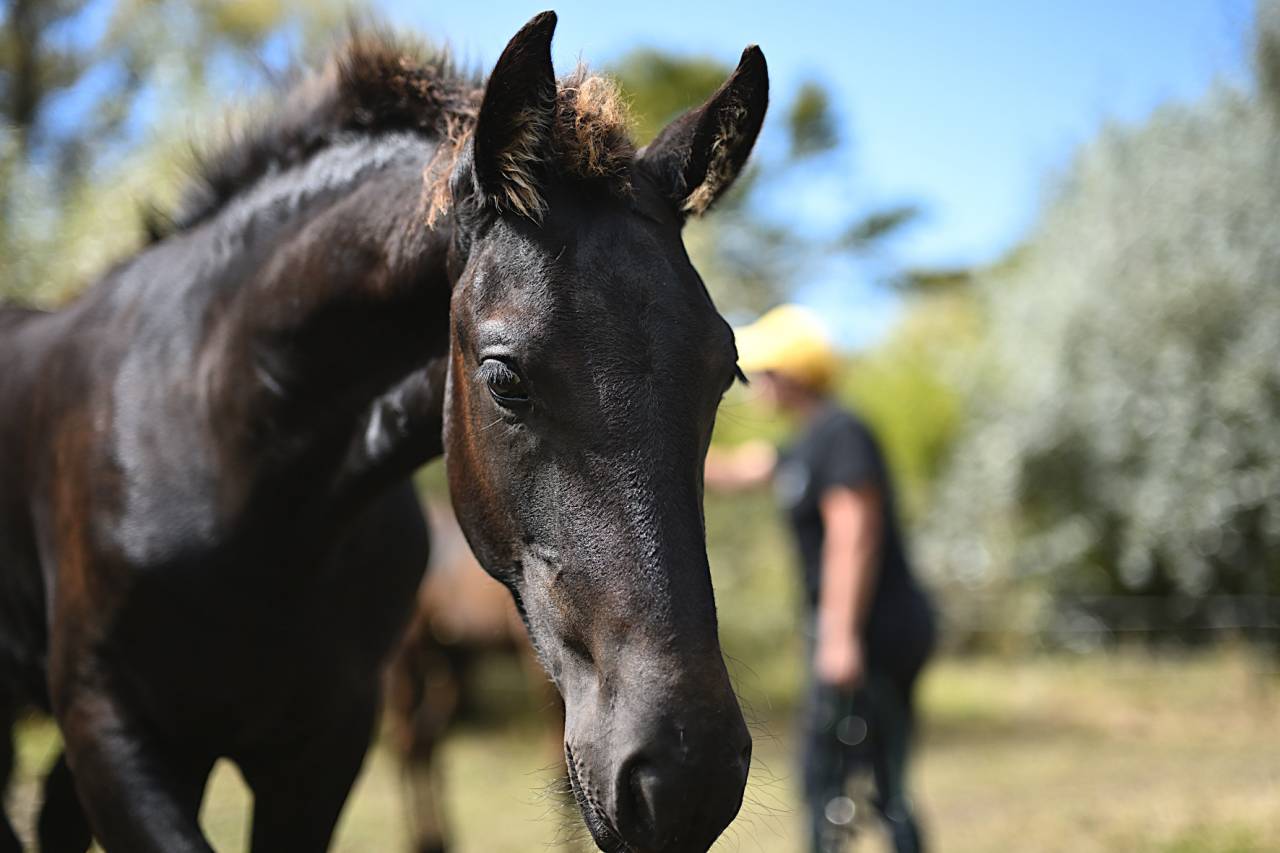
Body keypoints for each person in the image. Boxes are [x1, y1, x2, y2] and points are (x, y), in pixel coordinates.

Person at [704, 305, 935, 853]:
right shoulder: (803, 446)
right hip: (846, 633)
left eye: (763, 370)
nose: (755, 381)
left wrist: (838, 638)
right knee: (821, 774)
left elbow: (854, 537)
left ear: (792, 373)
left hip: (874, 634)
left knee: (879, 778)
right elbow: (735, 469)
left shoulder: (843, 434)